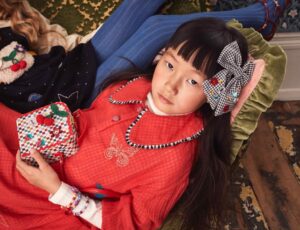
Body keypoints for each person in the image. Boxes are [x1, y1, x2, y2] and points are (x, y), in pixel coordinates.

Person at [1, 17, 254, 229]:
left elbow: (133, 222)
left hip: (60, 207)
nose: (169, 84)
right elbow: (86, 120)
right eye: (169, 65)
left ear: (214, 95)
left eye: (192, 82)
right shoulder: (129, 86)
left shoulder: (175, 159)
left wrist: (58, 190)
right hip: (42, 157)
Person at [0, 0, 290, 112]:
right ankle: (260, 17)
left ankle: (261, 17)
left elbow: (38, 40)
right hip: (69, 101)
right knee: (156, 29)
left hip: (70, 65)